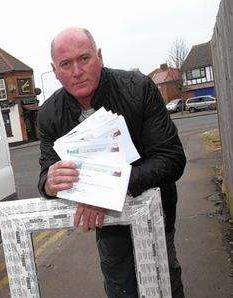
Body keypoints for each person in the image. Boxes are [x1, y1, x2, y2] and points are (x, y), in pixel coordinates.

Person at [38, 27, 186, 297]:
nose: (76, 71)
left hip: (155, 207)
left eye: (84, 58)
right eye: (65, 64)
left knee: (162, 279)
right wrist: (49, 183)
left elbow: (172, 159)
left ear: (100, 56)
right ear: (54, 70)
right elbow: (46, 173)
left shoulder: (138, 88)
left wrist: (104, 189)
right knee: (119, 283)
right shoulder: (49, 113)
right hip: (107, 223)